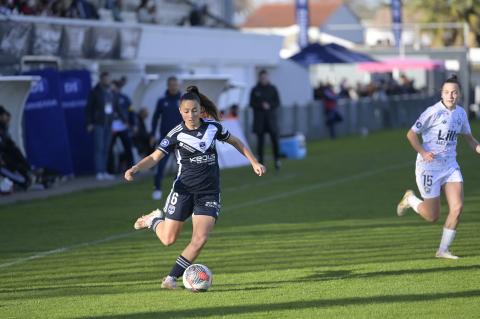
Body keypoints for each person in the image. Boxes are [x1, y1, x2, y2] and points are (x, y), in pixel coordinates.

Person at [124, 86, 265, 289]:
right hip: (183, 191)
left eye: (194, 110)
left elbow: (236, 142)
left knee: (200, 239)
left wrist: (254, 162)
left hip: (209, 192)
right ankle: (154, 220)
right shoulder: (176, 134)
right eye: (186, 111)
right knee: (168, 239)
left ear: (200, 110)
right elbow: (155, 157)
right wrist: (136, 168)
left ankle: (170, 279)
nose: (191, 115)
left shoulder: (213, 127)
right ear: (181, 112)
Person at [397, 74, 480, 259]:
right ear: (441, 94)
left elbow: (470, 140)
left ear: (459, 94)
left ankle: (443, 250)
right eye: (447, 92)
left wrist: (478, 147)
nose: (451, 95)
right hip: (429, 167)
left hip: (450, 166)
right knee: (432, 215)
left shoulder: (461, 114)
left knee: (457, 208)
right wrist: (423, 152)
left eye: (454, 92)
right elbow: (411, 134)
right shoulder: (432, 112)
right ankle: (410, 199)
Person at [150, 76, 182, 200]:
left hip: (180, 139)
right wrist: (152, 134)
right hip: (165, 139)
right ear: (168, 86)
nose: (173, 87)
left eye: (175, 84)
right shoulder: (162, 101)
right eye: (171, 85)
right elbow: (155, 118)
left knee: (181, 166)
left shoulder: (184, 101)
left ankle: (177, 190)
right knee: (160, 164)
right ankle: (157, 188)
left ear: (178, 85)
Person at [86, 71, 119, 181]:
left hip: (108, 123)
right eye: (105, 79)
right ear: (101, 80)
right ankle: (99, 171)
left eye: (108, 79)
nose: (107, 81)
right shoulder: (95, 92)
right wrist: (89, 123)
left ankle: (104, 171)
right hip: (98, 123)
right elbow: (89, 108)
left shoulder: (111, 92)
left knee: (106, 148)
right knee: (99, 148)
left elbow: (115, 106)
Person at [249, 69, 281, 170]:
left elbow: (277, 102)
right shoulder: (255, 90)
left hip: (271, 120)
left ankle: (277, 160)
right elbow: (251, 104)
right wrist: (261, 105)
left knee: (275, 140)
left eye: (265, 77)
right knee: (260, 143)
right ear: (259, 78)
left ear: (267, 77)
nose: (264, 79)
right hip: (260, 121)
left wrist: (269, 105)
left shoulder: (272, 89)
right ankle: (260, 164)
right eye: (262, 78)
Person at [108, 79, 134, 174]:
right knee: (110, 147)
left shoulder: (125, 98)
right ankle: (110, 170)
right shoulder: (108, 98)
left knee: (128, 146)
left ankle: (131, 168)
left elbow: (131, 111)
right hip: (112, 125)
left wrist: (133, 123)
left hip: (123, 125)